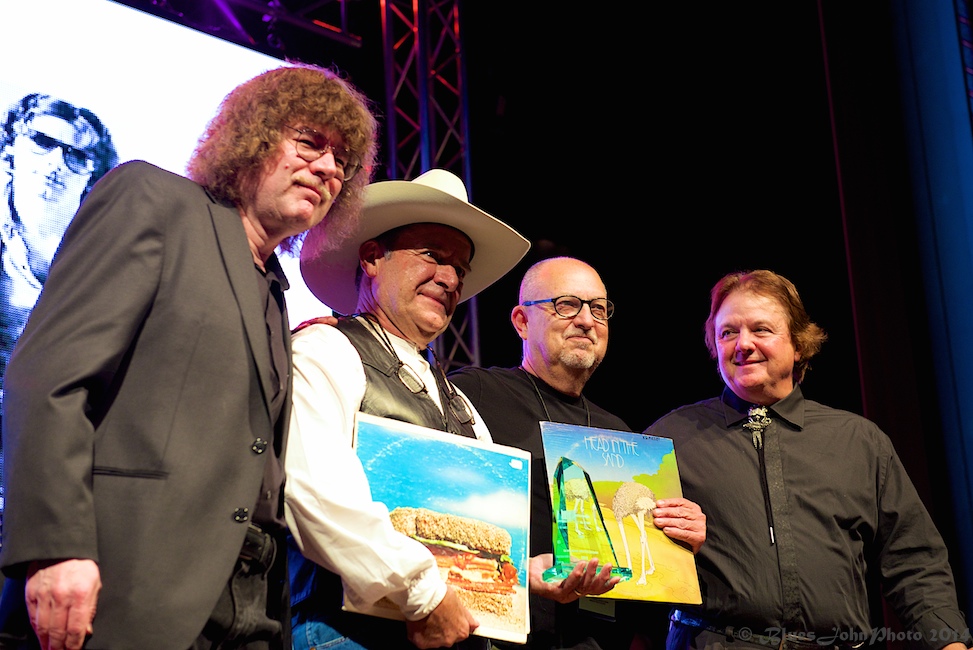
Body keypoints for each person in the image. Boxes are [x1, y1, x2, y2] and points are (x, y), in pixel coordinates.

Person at [0, 63, 378, 650]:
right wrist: (56, 546)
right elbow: (49, 378)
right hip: (129, 592)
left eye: (342, 162)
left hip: (250, 610)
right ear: (252, 136)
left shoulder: (277, 293)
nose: (328, 168)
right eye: (309, 143)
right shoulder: (153, 199)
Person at [646, 269, 971, 650]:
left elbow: (914, 562)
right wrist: (673, 550)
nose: (743, 344)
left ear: (798, 343)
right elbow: (633, 562)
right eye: (728, 332)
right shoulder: (670, 438)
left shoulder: (858, 441)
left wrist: (949, 644)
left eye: (761, 330)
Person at [284, 168, 531, 650]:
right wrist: (423, 594)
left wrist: (532, 576)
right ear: (373, 258)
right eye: (433, 257)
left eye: (460, 268)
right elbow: (314, 493)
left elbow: (489, 543)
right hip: (347, 635)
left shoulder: (459, 403)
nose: (450, 278)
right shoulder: (326, 350)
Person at [449, 256, 707, 650]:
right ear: (521, 321)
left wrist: (679, 538)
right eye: (566, 304)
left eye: (599, 309)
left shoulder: (621, 437)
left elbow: (643, 579)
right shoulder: (473, 395)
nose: (587, 320)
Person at [0, 93, 119, 411]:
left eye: (77, 155)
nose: (55, 163)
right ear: (11, 146)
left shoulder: (109, 259)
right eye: (41, 140)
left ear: (92, 175)